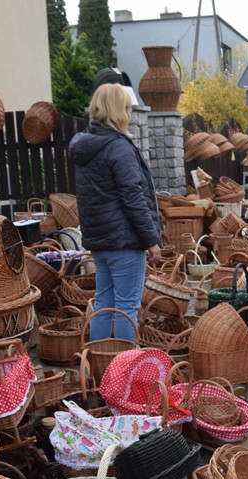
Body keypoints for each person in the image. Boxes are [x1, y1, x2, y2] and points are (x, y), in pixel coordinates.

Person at [69, 83, 162, 341]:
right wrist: (151, 239)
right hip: (124, 242)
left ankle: (102, 367)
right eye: (128, 108)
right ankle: (122, 376)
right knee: (126, 307)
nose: (131, 113)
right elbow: (133, 198)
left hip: (100, 242)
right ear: (118, 111)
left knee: (104, 304)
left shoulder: (87, 146)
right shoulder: (118, 147)